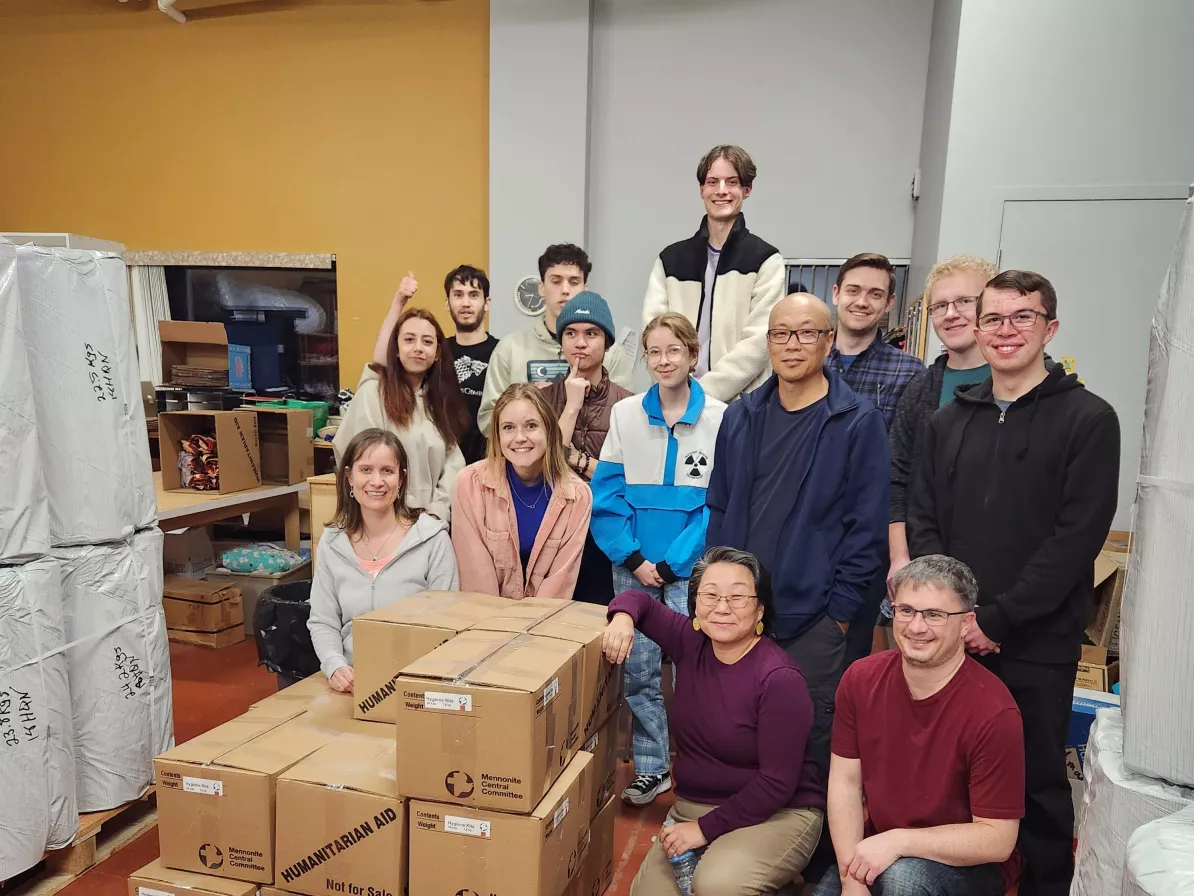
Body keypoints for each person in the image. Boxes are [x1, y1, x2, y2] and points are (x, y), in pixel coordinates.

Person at [907, 270, 1120, 896]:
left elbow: (1076, 537)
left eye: (1021, 317)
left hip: (1034, 643)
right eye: (993, 318)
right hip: (953, 641)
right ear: (976, 328)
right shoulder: (949, 421)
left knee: (1032, 786)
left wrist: (995, 620)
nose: (1005, 331)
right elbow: (924, 519)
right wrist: (951, 617)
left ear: (1050, 328)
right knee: (947, 781)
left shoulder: (1087, 419)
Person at [705, 293, 888, 798]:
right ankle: (748, 842)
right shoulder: (741, 416)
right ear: (768, 343)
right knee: (743, 730)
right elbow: (719, 508)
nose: (792, 344)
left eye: (807, 332)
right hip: (743, 612)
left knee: (811, 741)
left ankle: (815, 857)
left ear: (829, 342)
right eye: (781, 333)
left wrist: (841, 615)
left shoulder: (855, 421)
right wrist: (719, 592)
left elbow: (867, 528)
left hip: (817, 621)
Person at [603, 547, 824, 896]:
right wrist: (623, 619)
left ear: (760, 608)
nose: (722, 608)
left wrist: (704, 829)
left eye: (738, 597)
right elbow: (638, 601)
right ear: (694, 604)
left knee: (717, 885)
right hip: (695, 807)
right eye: (710, 595)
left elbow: (776, 783)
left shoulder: (779, 678)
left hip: (780, 812)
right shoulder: (690, 642)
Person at [813, 554, 1023, 896]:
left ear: (967, 623)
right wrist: (851, 880)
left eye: (934, 615)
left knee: (904, 881)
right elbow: (845, 783)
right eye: (906, 610)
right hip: (881, 844)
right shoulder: (860, 680)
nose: (916, 627)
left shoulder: (994, 712)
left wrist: (900, 841)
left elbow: (997, 839)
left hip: (970, 865)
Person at [591, 311, 727, 806]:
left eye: (674, 349)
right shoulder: (625, 416)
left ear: (693, 355)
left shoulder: (720, 416)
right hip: (631, 564)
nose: (663, 359)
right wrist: (632, 557)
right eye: (654, 351)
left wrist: (671, 564)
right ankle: (652, 769)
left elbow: (718, 502)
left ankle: (700, 767)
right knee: (640, 668)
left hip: (691, 569)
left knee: (700, 668)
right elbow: (605, 495)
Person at [824, 253, 924, 664]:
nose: (861, 301)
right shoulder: (807, 363)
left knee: (850, 654)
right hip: (805, 532)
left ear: (888, 305)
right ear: (835, 294)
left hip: (864, 540)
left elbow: (904, 465)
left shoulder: (908, 373)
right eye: (853, 290)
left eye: (875, 294)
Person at [307, 429, 459, 694]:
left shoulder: (432, 540)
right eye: (366, 470)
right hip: (350, 684)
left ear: (401, 479)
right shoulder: (332, 543)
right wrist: (334, 665)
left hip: (416, 684)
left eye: (387, 471)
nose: (376, 481)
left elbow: (447, 626)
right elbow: (323, 620)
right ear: (349, 477)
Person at [642, 145, 787, 402]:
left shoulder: (766, 260)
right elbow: (654, 331)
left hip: (742, 406)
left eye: (732, 182)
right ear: (701, 190)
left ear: (746, 190)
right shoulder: (670, 260)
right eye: (712, 182)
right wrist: (679, 390)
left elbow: (758, 341)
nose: (721, 190)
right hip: (675, 400)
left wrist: (703, 394)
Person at [888, 255, 996, 586]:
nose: (951, 314)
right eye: (940, 306)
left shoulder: (1022, 383)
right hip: (928, 566)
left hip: (1000, 565)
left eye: (964, 301)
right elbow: (896, 477)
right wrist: (899, 558)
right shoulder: (921, 387)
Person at [334, 290, 469, 523]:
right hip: (378, 522)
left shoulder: (439, 403)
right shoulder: (373, 394)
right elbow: (356, 461)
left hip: (429, 524)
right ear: (395, 349)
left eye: (427, 342)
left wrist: (436, 512)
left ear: (437, 353)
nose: (418, 348)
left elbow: (453, 466)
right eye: (409, 340)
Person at [452, 383, 591, 599]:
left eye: (531, 426)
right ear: (497, 435)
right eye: (508, 428)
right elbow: (475, 579)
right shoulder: (470, 484)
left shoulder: (578, 496)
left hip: (546, 622)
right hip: (484, 621)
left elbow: (559, 584)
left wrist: (530, 631)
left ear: (549, 430)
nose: (519, 438)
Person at [477, 244, 633, 432]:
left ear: (585, 288)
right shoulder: (510, 348)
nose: (565, 290)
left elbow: (625, 417)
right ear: (541, 288)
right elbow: (487, 420)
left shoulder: (610, 353)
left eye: (574, 282)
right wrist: (526, 404)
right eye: (556, 281)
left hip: (591, 457)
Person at [542, 290, 634, 605]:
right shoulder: (541, 400)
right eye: (571, 333)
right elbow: (543, 466)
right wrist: (570, 406)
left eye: (591, 334)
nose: (580, 343)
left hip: (607, 532)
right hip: (553, 527)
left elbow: (630, 476)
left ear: (606, 342)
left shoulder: (627, 404)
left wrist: (576, 460)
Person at [443, 265, 500, 465]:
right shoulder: (436, 351)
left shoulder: (502, 352)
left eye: (473, 295)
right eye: (458, 295)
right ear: (447, 303)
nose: (465, 303)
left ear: (487, 303)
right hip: (442, 464)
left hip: (489, 464)